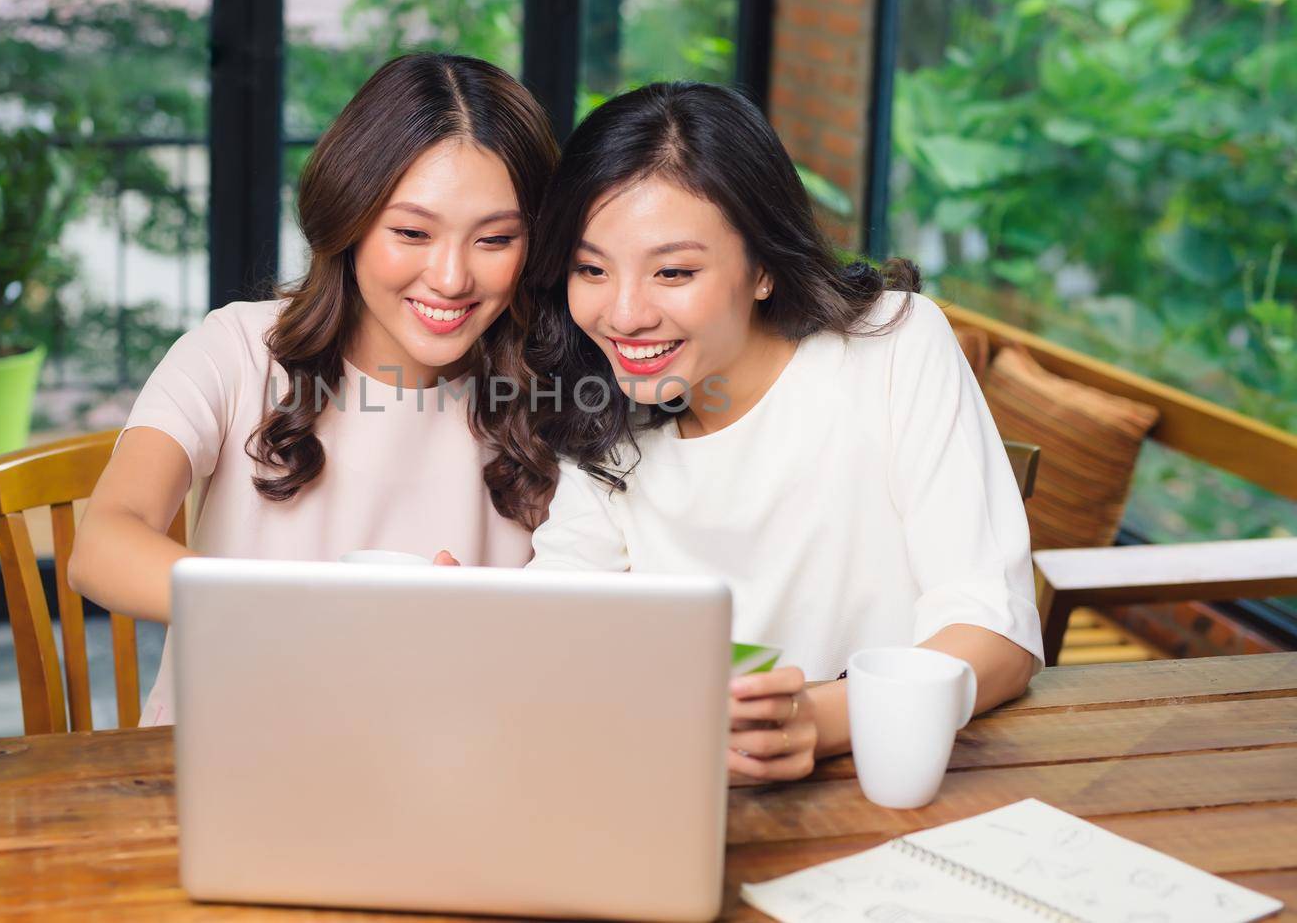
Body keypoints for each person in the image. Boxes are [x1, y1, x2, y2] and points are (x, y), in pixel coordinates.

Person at [499, 81, 1043, 784]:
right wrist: (483, 632)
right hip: (683, 792)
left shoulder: (893, 348)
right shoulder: (604, 408)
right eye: (590, 269)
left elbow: (994, 633)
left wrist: (815, 722)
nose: (624, 314)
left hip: (889, 781)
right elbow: (563, 611)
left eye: (673, 271)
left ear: (761, 267)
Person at [68, 53, 556, 725]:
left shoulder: (554, 393)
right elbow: (103, 547)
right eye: (412, 232)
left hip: (446, 766)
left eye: (496, 239)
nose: (450, 278)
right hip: (231, 756)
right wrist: (297, 611)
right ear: (350, 219)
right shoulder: (238, 351)